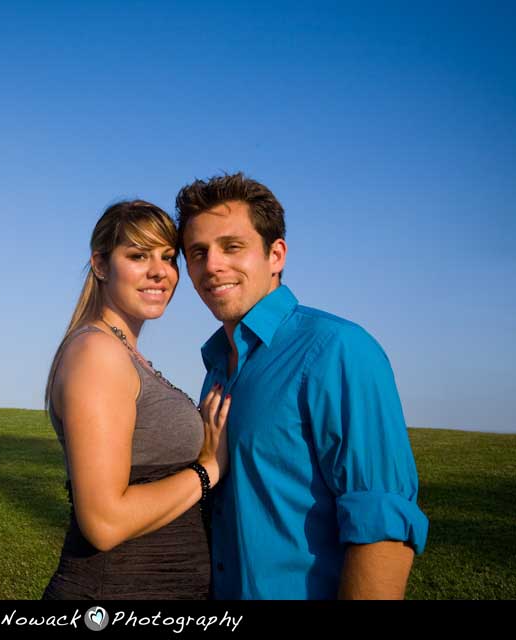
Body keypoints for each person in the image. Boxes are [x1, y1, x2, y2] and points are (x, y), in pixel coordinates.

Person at [175, 172, 429, 599]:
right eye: (197, 253)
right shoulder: (216, 367)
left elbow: (381, 524)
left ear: (276, 255)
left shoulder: (338, 349)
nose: (212, 265)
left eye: (231, 247)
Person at [42, 200, 229, 600]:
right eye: (138, 255)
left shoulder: (122, 351)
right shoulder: (97, 354)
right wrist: (207, 469)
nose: (160, 271)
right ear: (101, 265)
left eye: (168, 256)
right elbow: (103, 522)